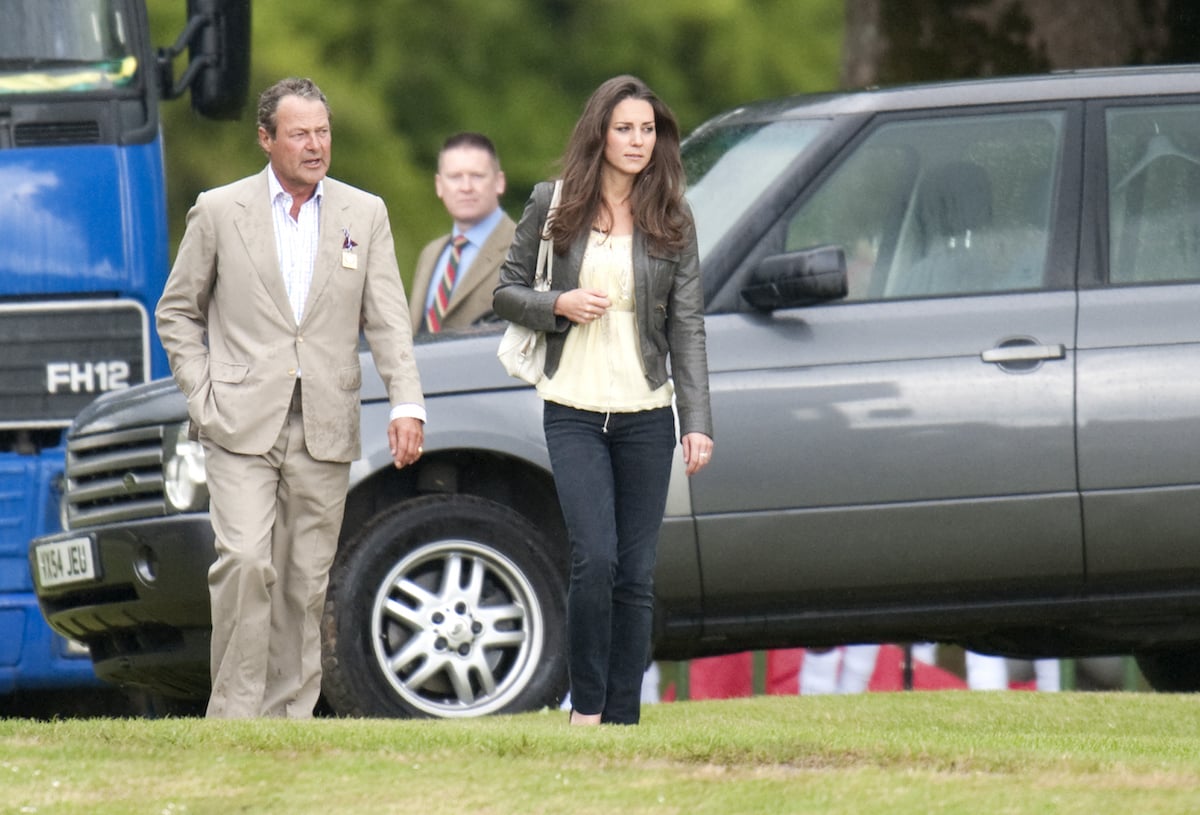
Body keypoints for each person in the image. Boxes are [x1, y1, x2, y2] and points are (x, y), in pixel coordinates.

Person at [155, 77, 425, 719]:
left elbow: (387, 320)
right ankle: (235, 716)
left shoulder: (366, 213)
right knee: (246, 561)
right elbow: (176, 312)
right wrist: (203, 391)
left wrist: (406, 402)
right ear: (266, 138)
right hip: (238, 421)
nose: (315, 144)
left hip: (326, 421)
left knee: (304, 582)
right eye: (300, 133)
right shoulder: (219, 210)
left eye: (323, 132)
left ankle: (287, 723)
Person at [494, 75, 714, 726]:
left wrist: (696, 421)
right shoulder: (551, 204)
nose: (637, 141)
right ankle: (585, 706)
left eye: (647, 129)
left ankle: (623, 716)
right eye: (625, 128)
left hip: (647, 410)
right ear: (600, 132)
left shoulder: (673, 215)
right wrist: (557, 303)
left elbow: (689, 325)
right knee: (596, 557)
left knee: (636, 573)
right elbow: (506, 293)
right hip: (574, 408)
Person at [410, 132, 515, 333]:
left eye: (477, 176)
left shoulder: (525, 248)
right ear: (439, 185)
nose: (466, 187)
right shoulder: (430, 254)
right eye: (455, 177)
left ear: (499, 182)